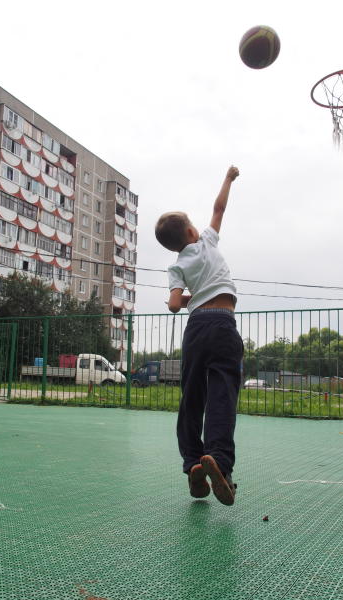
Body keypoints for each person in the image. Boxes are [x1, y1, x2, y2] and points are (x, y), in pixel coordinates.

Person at [155, 165, 244, 506]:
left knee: (191, 396)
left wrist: (185, 297)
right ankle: (218, 462)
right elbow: (219, 208)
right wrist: (229, 178)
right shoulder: (207, 239)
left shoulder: (176, 266)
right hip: (223, 324)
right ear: (193, 230)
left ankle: (192, 461)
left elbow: (175, 305)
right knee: (222, 394)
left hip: (196, 328)